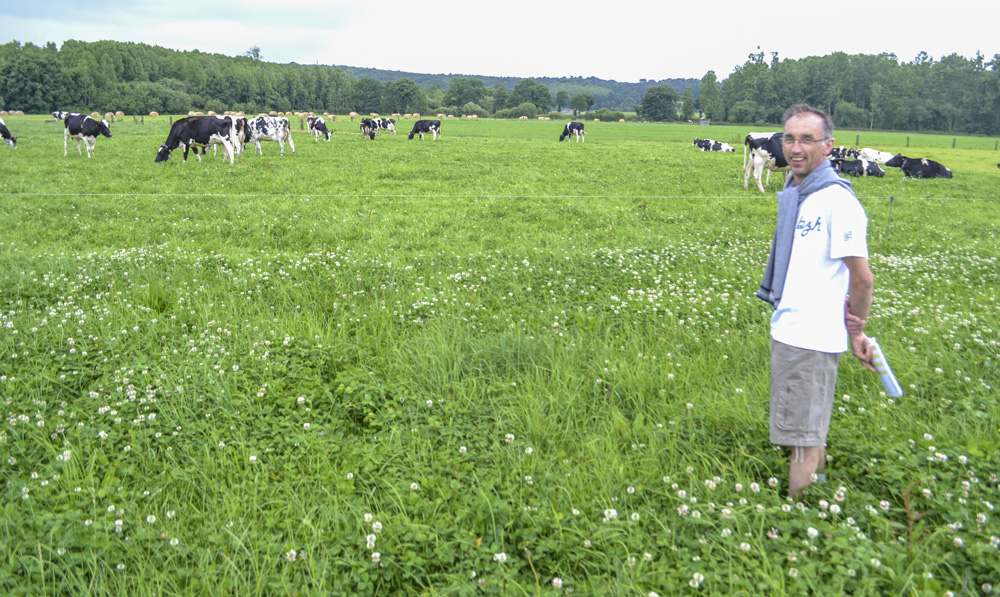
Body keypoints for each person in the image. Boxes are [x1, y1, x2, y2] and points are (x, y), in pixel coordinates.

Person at [756, 104, 876, 497]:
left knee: (802, 441)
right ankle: (821, 498)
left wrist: (856, 328)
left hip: (808, 338)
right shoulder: (796, 192)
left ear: (828, 146)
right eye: (789, 138)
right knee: (810, 428)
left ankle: (798, 524)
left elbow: (862, 278)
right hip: (794, 330)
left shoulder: (836, 201)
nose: (795, 147)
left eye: (807, 139)